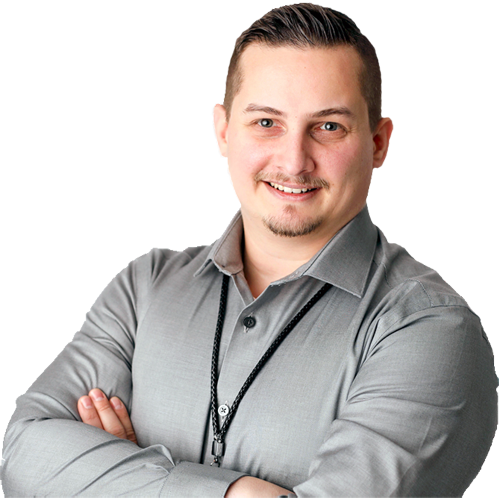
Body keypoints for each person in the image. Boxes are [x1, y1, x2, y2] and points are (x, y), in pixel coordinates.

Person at [3, 4, 496, 497]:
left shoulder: (429, 328)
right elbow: (21, 452)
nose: (293, 161)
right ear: (222, 130)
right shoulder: (144, 290)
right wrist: (239, 493)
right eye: (266, 122)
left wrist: (114, 477)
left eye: (328, 127)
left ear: (379, 143)